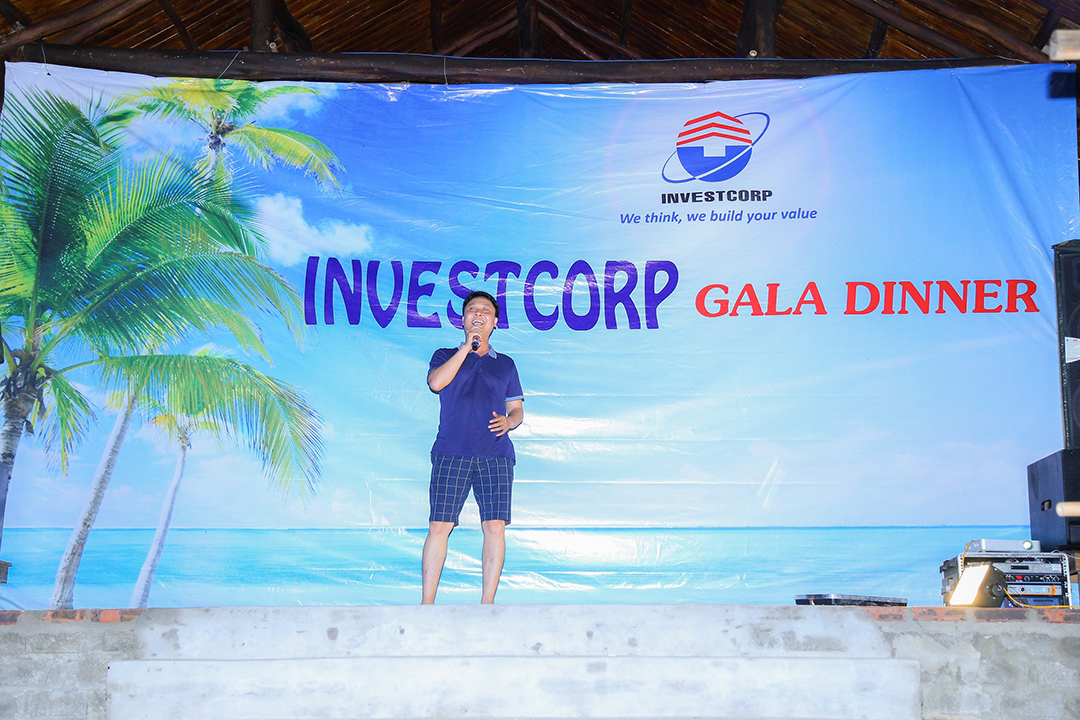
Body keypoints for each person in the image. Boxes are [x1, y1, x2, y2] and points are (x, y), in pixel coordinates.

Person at [422, 290, 524, 604]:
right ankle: (426, 604)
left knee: (494, 526)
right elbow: (436, 383)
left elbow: (517, 409)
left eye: (485, 311)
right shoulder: (445, 354)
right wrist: (467, 347)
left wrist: (509, 422)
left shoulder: (505, 364)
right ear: (463, 319)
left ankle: (487, 604)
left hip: (495, 454)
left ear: (495, 322)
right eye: (472, 310)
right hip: (451, 450)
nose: (478, 314)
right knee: (439, 525)